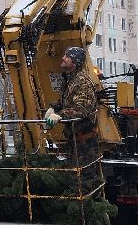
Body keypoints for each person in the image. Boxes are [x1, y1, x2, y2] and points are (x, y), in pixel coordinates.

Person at [44, 46, 103, 190]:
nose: (63, 58)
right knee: (74, 178)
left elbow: (81, 108)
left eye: (67, 56)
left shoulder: (82, 81)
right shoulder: (71, 80)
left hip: (85, 142)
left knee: (84, 180)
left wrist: (60, 115)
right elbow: (66, 101)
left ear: (75, 62)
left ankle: (87, 210)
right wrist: (54, 107)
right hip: (75, 140)